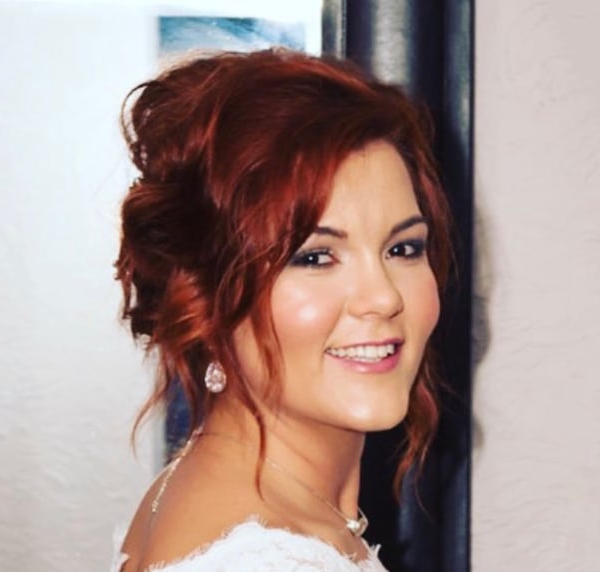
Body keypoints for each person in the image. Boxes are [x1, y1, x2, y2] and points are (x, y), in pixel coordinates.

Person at [111, 49, 452, 571]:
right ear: (206, 297)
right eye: (315, 257)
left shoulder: (218, 493)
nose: (384, 297)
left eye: (402, 249)